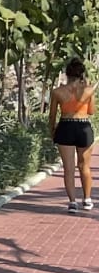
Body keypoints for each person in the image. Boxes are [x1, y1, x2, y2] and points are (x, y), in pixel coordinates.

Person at [52, 57, 95, 211]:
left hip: (65, 126)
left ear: (67, 74)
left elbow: (52, 116)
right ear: (81, 74)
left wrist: (52, 131)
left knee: (68, 168)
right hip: (83, 126)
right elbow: (91, 111)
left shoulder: (57, 92)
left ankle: (72, 202)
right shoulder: (89, 90)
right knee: (85, 166)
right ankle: (87, 199)